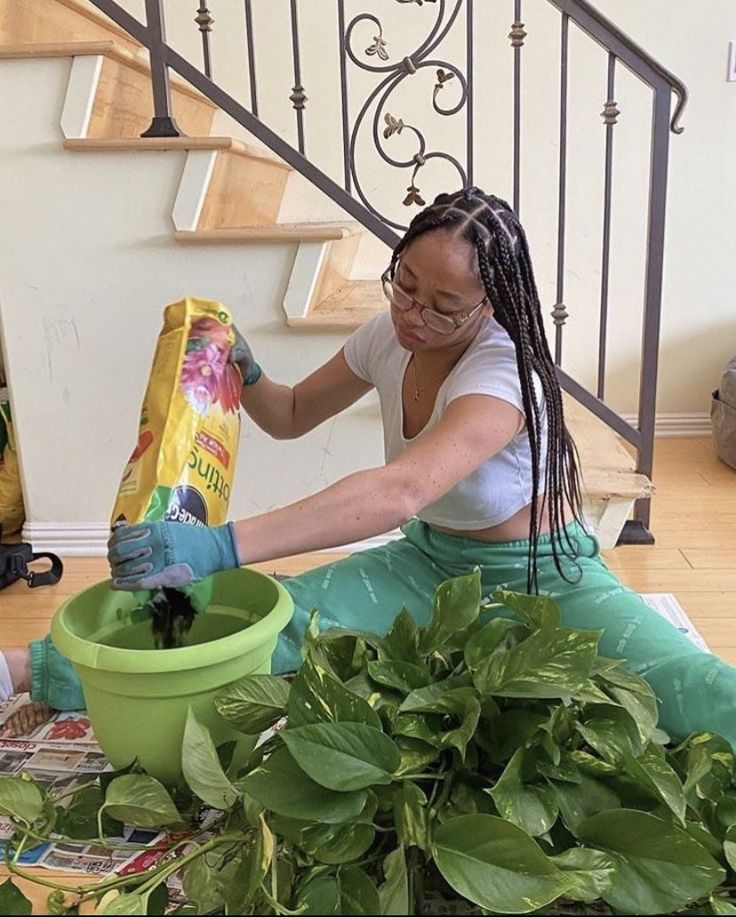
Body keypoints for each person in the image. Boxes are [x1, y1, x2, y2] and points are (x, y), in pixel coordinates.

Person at [1, 188, 734, 749]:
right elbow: (289, 414)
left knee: (686, 688)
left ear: (491, 304)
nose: (415, 314)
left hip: (543, 578)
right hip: (431, 564)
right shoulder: (388, 333)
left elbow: (401, 490)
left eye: (445, 306)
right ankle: (28, 669)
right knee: (269, 626)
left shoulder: (507, 371)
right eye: (405, 284)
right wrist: (248, 374)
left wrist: (220, 546)